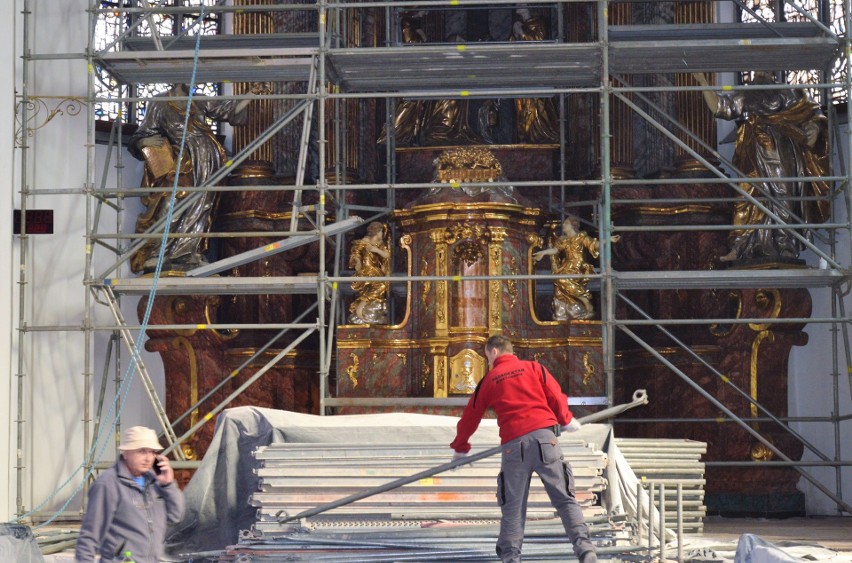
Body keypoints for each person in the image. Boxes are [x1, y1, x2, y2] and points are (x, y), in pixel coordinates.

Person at [450, 335, 597, 563]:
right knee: (565, 499)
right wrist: (566, 420)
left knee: (513, 508)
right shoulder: (534, 368)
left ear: (494, 352)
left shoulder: (490, 379)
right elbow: (555, 395)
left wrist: (461, 448)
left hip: (514, 446)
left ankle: (511, 558)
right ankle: (586, 550)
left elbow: (471, 416)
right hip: (546, 441)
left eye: (487, 355)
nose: (488, 359)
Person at [693, 71, 830, 262]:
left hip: (781, 152)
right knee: (746, 199)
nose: (760, 71)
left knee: (783, 198)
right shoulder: (747, 94)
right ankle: (739, 247)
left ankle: (785, 247)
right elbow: (720, 107)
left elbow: (812, 112)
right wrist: (703, 83)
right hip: (753, 154)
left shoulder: (787, 93)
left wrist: (814, 127)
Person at [128, 83, 256, 273]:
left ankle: (189, 252)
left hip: (208, 160)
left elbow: (228, 110)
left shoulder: (199, 100)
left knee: (203, 206)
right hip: (181, 160)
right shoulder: (160, 102)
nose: (193, 82)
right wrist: (144, 141)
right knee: (171, 202)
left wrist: (252, 94)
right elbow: (143, 133)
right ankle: (157, 252)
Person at [75, 426, 185, 563]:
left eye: (152, 452)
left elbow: (175, 517)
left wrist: (168, 485)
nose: (148, 458)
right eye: (142, 451)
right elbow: (89, 536)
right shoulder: (108, 484)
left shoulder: (154, 481)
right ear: (125, 453)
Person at [533, 217, 619, 320]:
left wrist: (608, 239)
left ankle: (585, 301)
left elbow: (595, 245)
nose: (563, 226)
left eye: (566, 224)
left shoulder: (581, 237)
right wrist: (543, 252)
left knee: (561, 279)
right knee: (559, 287)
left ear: (572, 226)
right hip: (566, 266)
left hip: (577, 266)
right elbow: (555, 250)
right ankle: (567, 311)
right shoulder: (563, 240)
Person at [511, 9, 559, 144]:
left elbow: (538, 43)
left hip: (537, 71)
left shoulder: (539, 23)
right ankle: (525, 135)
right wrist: (516, 33)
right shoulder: (518, 23)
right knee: (523, 106)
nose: (518, 5)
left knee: (538, 104)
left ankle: (539, 133)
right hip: (523, 72)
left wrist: (521, 32)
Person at [348, 222, 391, 324]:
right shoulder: (363, 242)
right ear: (376, 232)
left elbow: (387, 256)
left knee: (380, 287)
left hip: (376, 270)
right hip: (366, 270)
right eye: (380, 231)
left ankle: (363, 308)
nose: (381, 234)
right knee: (380, 285)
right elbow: (355, 254)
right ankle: (361, 307)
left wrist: (375, 250)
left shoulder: (379, 244)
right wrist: (357, 261)